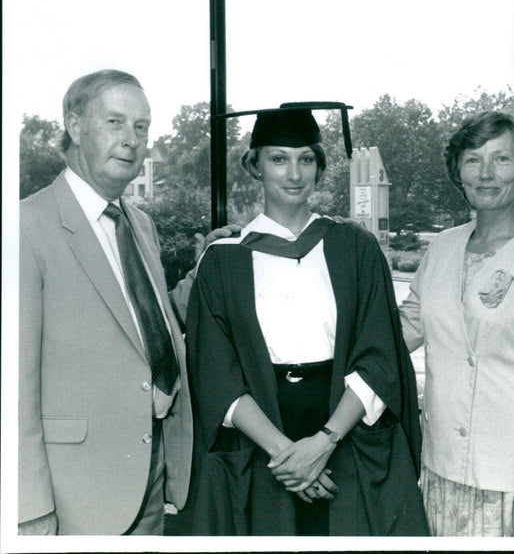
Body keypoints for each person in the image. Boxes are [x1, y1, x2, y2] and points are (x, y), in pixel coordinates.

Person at [182, 104, 428, 536]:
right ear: (254, 165)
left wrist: (323, 444)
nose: (294, 173)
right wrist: (287, 455)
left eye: (306, 159)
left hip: (346, 432)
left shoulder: (355, 248)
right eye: (278, 158)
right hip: (261, 442)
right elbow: (214, 372)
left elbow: (380, 354)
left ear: (319, 166)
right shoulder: (222, 261)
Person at [18, 69, 237, 535]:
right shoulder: (25, 227)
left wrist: (207, 269)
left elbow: (143, 329)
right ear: (75, 127)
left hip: (150, 476)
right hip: (73, 497)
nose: (132, 140)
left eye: (142, 127)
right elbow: (12, 391)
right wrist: (28, 510)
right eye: (115, 123)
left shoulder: (138, 223)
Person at [399, 110, 514, 537]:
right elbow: (406, 325)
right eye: (472, 159)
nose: (486, 173)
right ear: (457, 170)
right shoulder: (442, 248)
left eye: (501, 159)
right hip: (441, 472)